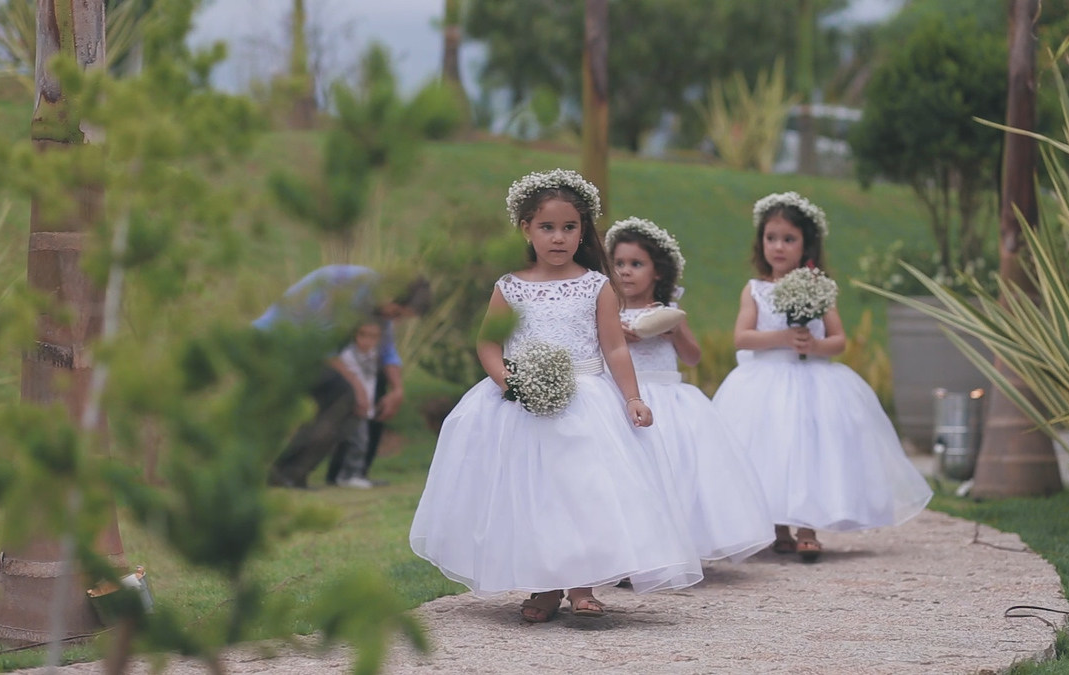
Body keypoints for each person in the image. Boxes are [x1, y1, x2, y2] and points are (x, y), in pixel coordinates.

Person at [409, 169, 701, 623]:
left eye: (569, 227)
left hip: (584, 402)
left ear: (583, 231)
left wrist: (632, 398)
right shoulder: (510, 286)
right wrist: (511, 381)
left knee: (581, 490)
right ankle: (544, 586)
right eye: (547, 227)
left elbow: (615, 347)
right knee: (531, 494)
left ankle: (581, 585)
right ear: (526, 228)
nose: (559, 237)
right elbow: (488, 342)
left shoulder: (596, 285)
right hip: (523, 405)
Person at [712, 192, 933, 562]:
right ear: (760, 242)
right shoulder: (755, 290)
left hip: (811, 380)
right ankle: (777, 526)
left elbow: (839, 340)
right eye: (771, 238)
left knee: (807, 451)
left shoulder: (820, 289)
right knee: (770, 449)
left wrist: (814, 346)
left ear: (806, 244)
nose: (778, 247)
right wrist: (783, 338)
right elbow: (742, 337)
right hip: (764, 381)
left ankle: (807, 527)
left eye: (788, 239)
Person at [605, 217, 776, 563]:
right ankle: (628, 552)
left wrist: (675, 332)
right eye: (619, 264)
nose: (625, 271)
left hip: (667, 401)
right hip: (623, 398)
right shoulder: (608, 311)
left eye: (636, 264)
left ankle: (674, 549)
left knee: (676, 473)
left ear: (657, 272)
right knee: (627, 475)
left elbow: (693, 357)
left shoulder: (668, 313)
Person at [256, 265, 430, 489]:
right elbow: (320, 342)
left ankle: (324, 472)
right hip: (277, 344)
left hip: (308, 353)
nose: (394, 321)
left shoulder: (379, 303)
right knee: (344, 394)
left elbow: (386, 350)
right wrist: (358, 387)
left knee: (361, 392)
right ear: (389, 296)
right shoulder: (342, 286)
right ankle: (285, 472)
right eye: (396, 314)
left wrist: (398, 390)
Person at [329, 319, 389, 489]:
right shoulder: (348, 356)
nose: (367, 341)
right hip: (353, 405)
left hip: (367, 405)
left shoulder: (373, 356)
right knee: (357, 441)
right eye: (363, 335)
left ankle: (352, 473)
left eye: (373, 337)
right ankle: (350, 474)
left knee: (359, 440)